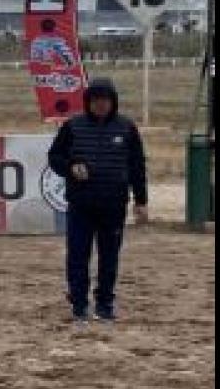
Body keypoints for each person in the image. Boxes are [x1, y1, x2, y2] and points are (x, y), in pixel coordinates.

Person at [48, 77, 148, 325]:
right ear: (88, 102)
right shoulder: (72, 126)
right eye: (95, 100)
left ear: (113, 101)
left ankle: (104, 305)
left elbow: (137, 166)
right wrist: (70, 167)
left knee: (109, 257)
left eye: (105, 100)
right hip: (80, 205)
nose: (100, 104)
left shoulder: (127, 128)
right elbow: (54, 157)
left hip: (114, 205)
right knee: (77, 256)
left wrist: (141, 201)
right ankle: (79, 305)